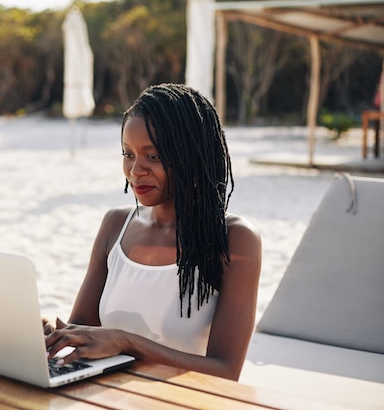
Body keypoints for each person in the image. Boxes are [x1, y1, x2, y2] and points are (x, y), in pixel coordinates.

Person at [45, 83, 261, 381]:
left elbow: (226, 370)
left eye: (153, 156)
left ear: (191, 155)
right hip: (109, 397)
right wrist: (47, 331)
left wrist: (127, 342)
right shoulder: (115, 226)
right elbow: (80, 332)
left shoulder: (235, 239)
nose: (135, 170)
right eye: (128, 154)